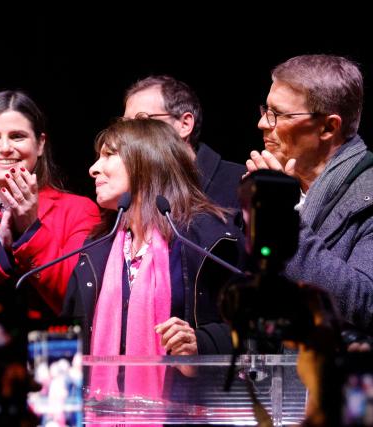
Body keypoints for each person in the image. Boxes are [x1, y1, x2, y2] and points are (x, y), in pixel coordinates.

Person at [62, 119, 244, 398]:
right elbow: (68, 342)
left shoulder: (209, 241)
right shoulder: (94, 250)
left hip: (186, 412)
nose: (93, 169)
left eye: (109, 155)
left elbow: (256, 331)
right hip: (101, 413)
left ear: (146, 161)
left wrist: (202, 344)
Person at [0, 90, 100, 317]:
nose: (4, 148)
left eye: (17, 136)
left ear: (40, 144)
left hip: (51, 348)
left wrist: (30, 232)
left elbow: (77, 297)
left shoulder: (79, 210)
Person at [245, 54, 373, 334]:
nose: (263, 124)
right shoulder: (276, 186)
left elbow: (365, 302)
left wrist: (282, 221)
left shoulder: (368, 196)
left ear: (328, 127)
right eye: (265, 110)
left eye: (278, 114)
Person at [124, 75, 245, 210]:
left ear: (185, 124)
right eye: (126, 125)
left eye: (142, 121)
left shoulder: (239, 183)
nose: (129, 134)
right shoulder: (134, 192)